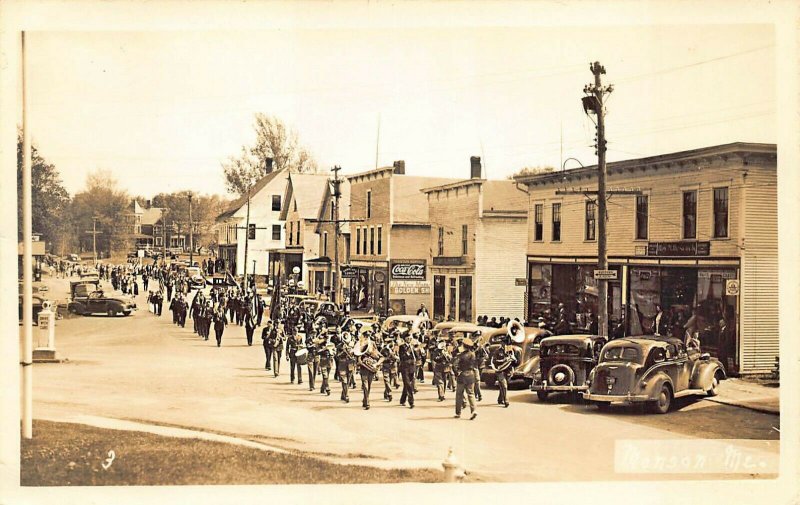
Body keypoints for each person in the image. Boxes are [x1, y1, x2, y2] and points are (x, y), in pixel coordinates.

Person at [454, 338, 478, 420]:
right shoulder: (473, 354)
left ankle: (458, 413)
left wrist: (456, 373)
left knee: (459, 395)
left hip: (462, 375)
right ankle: (474, 410)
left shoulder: (460, 355)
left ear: (463, 346)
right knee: (471, 394)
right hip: (471, 375)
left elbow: (455, 365)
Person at [490, 338, 518, 408]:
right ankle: (506, 401)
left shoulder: (511, 351)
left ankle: (500, 399)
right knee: (504, 385)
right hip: (500, 370)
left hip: (508, 371)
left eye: (507, 343)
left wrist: (514, 360)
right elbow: (494, 361)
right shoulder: (497, 351)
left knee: (502, 385)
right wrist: (503, 360)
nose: (506, 345)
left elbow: (516, 363)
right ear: (502, 343)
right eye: (504, 343)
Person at [398, 334, 417, 409]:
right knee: (408, 385)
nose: (409, 339)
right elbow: (402, 357)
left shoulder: (412, 346)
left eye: (410, 337)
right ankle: (411, 402)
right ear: (405, 338)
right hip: (405, 367)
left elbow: (416, 357)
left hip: (412, 367)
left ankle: (402, 400)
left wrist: (418, 350)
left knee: (407, 385)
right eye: (408, 337)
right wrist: (408, 352)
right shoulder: (402, 347)